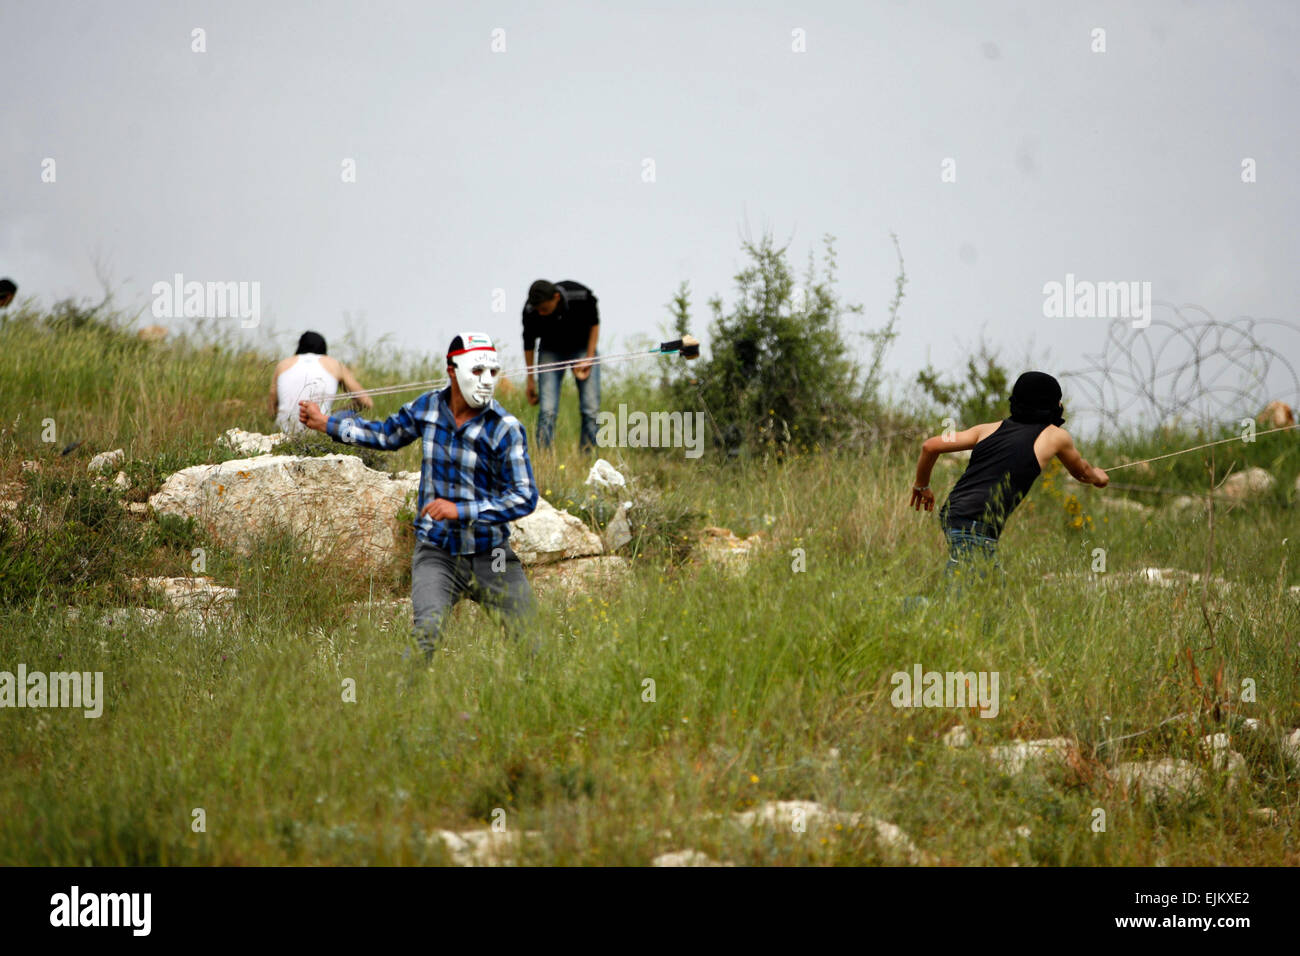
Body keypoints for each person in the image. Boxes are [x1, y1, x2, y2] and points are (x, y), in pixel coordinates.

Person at [298, 332, 540, 660]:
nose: (486, 381)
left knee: (534, 646)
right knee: (425, 636)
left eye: (493, 373)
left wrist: (462, 510)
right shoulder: (426, 408)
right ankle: (402, 708)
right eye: (477, 370)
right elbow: (385, 435)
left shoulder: (505, 428)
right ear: (452, 370)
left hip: (492, 555)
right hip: (437, 553)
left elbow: (525, 497)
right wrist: (328, 424)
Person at [909, 371, 1109, 583]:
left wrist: (922, 486)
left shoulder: (987, 429)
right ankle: (908, 607)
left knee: (992, 593)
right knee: (966, 598)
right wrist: (1099, 477)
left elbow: (930, 446)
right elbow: (1082, 472)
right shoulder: (1055, 436)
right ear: (1053, 404)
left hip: (956, 513)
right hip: (977, 522)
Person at [522, 279, 600, 450]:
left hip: (582, 348)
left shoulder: (581, 296)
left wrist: (589, 357)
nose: (540, 313)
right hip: (550, 352)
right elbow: (529, 344)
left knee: (591, 408)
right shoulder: (530, 310)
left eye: (544, 309)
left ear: (556, 298)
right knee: (547, 411)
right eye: (537, 309)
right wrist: (530, 380)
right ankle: (544, 460)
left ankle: (588, 458)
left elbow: (594, 324)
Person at [270, 331, 372, 434]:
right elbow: (366, 402)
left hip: (282, 432)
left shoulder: (283, 364)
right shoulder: (333, 364)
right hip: (319, 431)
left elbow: (272, 407)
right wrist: (333, 414)